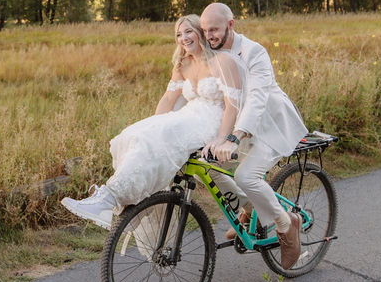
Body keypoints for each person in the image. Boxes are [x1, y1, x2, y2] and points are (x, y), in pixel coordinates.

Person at [61, 15, 245, 230]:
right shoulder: (183, 63)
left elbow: (232, 105)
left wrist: (223, 138)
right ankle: (114, 196)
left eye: (188, 31)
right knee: (134, 134)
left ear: (200, 32)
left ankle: (109, 197)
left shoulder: (219, 61)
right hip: (189, 117)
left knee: (165, 137)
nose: (183, 38)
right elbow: (168, 98)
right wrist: (154, 125)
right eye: (178, 34)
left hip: (213, 122)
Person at [200, 2, 308, 269]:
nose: (209, 35)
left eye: (214, 29)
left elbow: (257, 99)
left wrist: (236, 136)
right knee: (210, 165)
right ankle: (249, 210)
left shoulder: (254, 52)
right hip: (240, 126)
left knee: (245, 176)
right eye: (204, 30)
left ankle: (287, 224)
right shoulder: (214, 56)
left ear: (231, 25)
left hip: (270, 125)